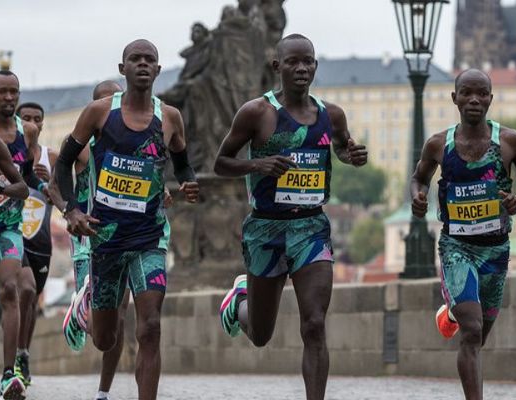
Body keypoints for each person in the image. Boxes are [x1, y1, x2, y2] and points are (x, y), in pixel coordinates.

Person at [215, 34, 367, 400]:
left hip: (311, 229)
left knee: (314, 324)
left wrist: (352, 156)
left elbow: (342, 149)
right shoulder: (256, 113)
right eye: (294, 62)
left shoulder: (331, 115)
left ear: (316, 66)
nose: (302, 69)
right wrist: (257, 164)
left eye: (308, 62)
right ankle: (239, 303)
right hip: (266, 229)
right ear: (277, 67)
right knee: (261, 334)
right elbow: (221, 163)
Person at [54, 40, 199, 400]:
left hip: (150, 237)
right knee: (106, 338)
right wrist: (72, 209)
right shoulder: (100, 113)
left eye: (150, 60)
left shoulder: (170, 117)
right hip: (105, 239)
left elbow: (182, 161)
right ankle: (85, 304)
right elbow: (62, 165)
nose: (143, 64)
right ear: (123, 69)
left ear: (158, 70)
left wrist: (187, 182)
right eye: (135, 59)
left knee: (150, 327)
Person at [411, 68, 516, 400]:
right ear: (454, 98)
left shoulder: (510, 141)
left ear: (490, 99)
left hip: (496, 251)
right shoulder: (440, 144)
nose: (474, 100)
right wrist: (418, 197)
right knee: (472, 331)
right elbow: (419, 178)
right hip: (457, 247)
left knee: (478, 335)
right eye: (466, 93)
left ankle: (452, 311)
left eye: (481, 93)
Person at [0, 69, 43, 400]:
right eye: (2, 92)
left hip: (9, 226)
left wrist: (3, 186)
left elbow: (25, 183)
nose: (9, 98)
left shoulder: (21, 135)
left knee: (15, 289)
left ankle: (10, 374)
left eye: (14, 92)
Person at [14, 101, 58, 388]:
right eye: (25, 117)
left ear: (42, 124)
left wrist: (51, 182)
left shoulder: (51, 157)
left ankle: (23, 354)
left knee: (30, 301)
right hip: (12, 236)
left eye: (36, 118)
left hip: (40, 241)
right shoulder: (6, 153)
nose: (31, 122)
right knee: (22, 292)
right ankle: (15, 359)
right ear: (18, 121)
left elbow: (65, 198)